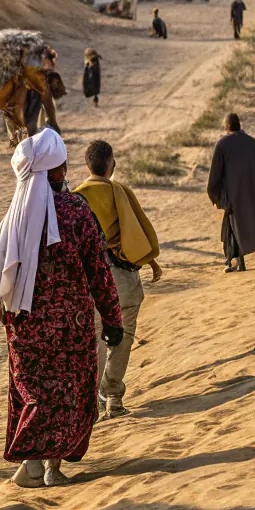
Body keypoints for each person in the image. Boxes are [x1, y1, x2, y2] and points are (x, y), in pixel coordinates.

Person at [0, 129, 122, 488]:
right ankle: (52, 467)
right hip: (70, 327)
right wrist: (112, 319)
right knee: (68, 392)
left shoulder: (14, 216)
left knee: (35, 391)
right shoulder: (76, 211)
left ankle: (31, 463)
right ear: (57, 172)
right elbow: (99, 271)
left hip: (24, 327)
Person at [75, 141, 161, 417]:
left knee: (95, 339)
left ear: (88, 165)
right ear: (111, 164)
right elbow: (137, 231)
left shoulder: (76, 198)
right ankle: (112, 394)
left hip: (89, 280)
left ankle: (91, 401)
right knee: (123, 335)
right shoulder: (120, 191)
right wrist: (151, 261)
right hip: (122, 279)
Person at [207, 113, 255, 272]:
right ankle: (237, 262)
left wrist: (214, 193)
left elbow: (215, 173)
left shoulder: (222, 144)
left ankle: (239, 263)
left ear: (227, 126)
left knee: (233, 226)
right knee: (236, 226)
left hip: (234, 194)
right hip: (252, 191)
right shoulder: (251, 142)